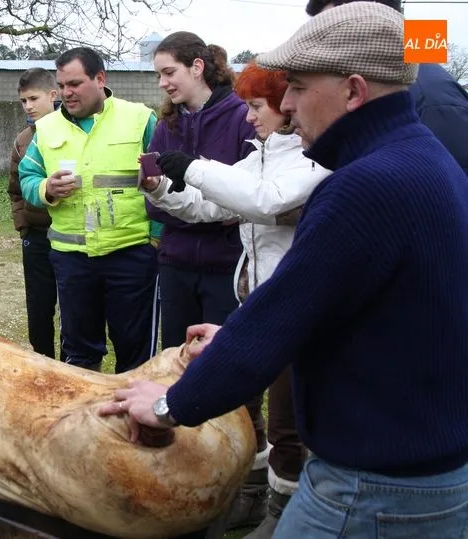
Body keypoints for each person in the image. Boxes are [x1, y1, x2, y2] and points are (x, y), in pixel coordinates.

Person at [99, 4, 468, 537]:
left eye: (295, 86)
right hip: (426, 470)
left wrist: (168, 403)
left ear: (354, 91)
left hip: (373, 487)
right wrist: (234, 335)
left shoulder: (365, 186)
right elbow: (362, 314)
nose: (286, 105)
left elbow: (281, 315)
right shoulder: (423, 158)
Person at [141, 63, 331, 538]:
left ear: (287, 108)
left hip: (295, 309)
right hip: (254, 305)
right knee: (246, 408)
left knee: (287, 421)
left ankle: (282, 511)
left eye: (257, 106)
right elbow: (212, 207)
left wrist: (195, 167)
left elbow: (264, 201)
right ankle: (248, 495)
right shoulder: (258, 157)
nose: (249, 118)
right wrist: (163, 189)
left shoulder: (312, 159)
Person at [144, 32, 262, 527]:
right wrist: (158, 190)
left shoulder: (241, 117)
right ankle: (180, 472)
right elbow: (156, 192)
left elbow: (242, 201)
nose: (163, 83)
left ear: (197, 67)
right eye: (158, 75)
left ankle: (243, 485)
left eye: (168, 71)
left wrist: (188, 201)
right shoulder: (168, 124)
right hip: (175, 261)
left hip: (226, 267)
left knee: (230, 373)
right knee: (175, 362)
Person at [18, 47, 161, 374]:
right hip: (72, 260)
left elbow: (164, 181)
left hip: (131, 256)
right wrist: (45, 189)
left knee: (135, 353)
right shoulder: (47, 128)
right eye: (62, 85)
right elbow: (27, 177)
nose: (66, 92)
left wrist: (155, 241)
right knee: (80, 355)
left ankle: (132, 422)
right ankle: (85, 422)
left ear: (100, 79)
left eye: (75, 84)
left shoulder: (140, 119)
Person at [306, 0, 468, 175]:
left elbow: (450, 191)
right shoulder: (368, 88)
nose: (320, 46)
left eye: (328, 31)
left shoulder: (430, 97)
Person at [8, 67, 65, 359]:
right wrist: (24, 225)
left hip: (69, 237)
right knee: (39, 309)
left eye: (33, 98)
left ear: (53, 95)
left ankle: (71, 365)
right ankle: (43, 362)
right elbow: (15, 189)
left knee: (71, 310)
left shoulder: (73, 131)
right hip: (37, 238)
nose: (28, 106)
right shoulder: (22, 140)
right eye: (23, 101)